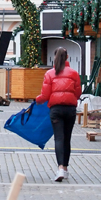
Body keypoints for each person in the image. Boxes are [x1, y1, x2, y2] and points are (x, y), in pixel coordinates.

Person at [36, 48, 82, 182]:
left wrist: (37, 100)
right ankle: (65, 169)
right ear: (67, 57)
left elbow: (45, 95)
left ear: (54, 57)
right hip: (70, 109)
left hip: (56, 110)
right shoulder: (74, 73)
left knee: (59, 138)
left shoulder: (50, 74)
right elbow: (78, 93)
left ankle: (60, 168)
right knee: (67, 139)